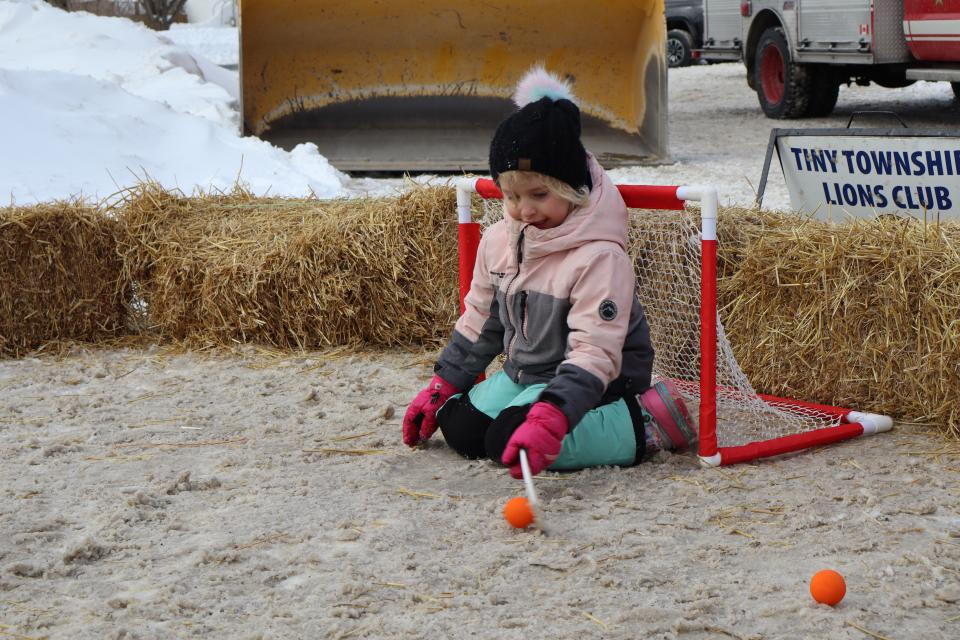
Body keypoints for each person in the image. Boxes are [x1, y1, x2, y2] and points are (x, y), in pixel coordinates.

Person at [402, 66, 696, 478]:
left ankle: (643, 421)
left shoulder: (599, 257)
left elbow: (595, 353)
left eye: (539, 194)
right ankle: (528, 416)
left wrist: (552, 415)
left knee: (508, 440)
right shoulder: (499, 241)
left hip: (596, 381)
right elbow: (481, 320)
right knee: (462, 428)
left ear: (571, 187)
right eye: (511, 195)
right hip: (528, 373)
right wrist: (443, 385)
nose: (524, 210)